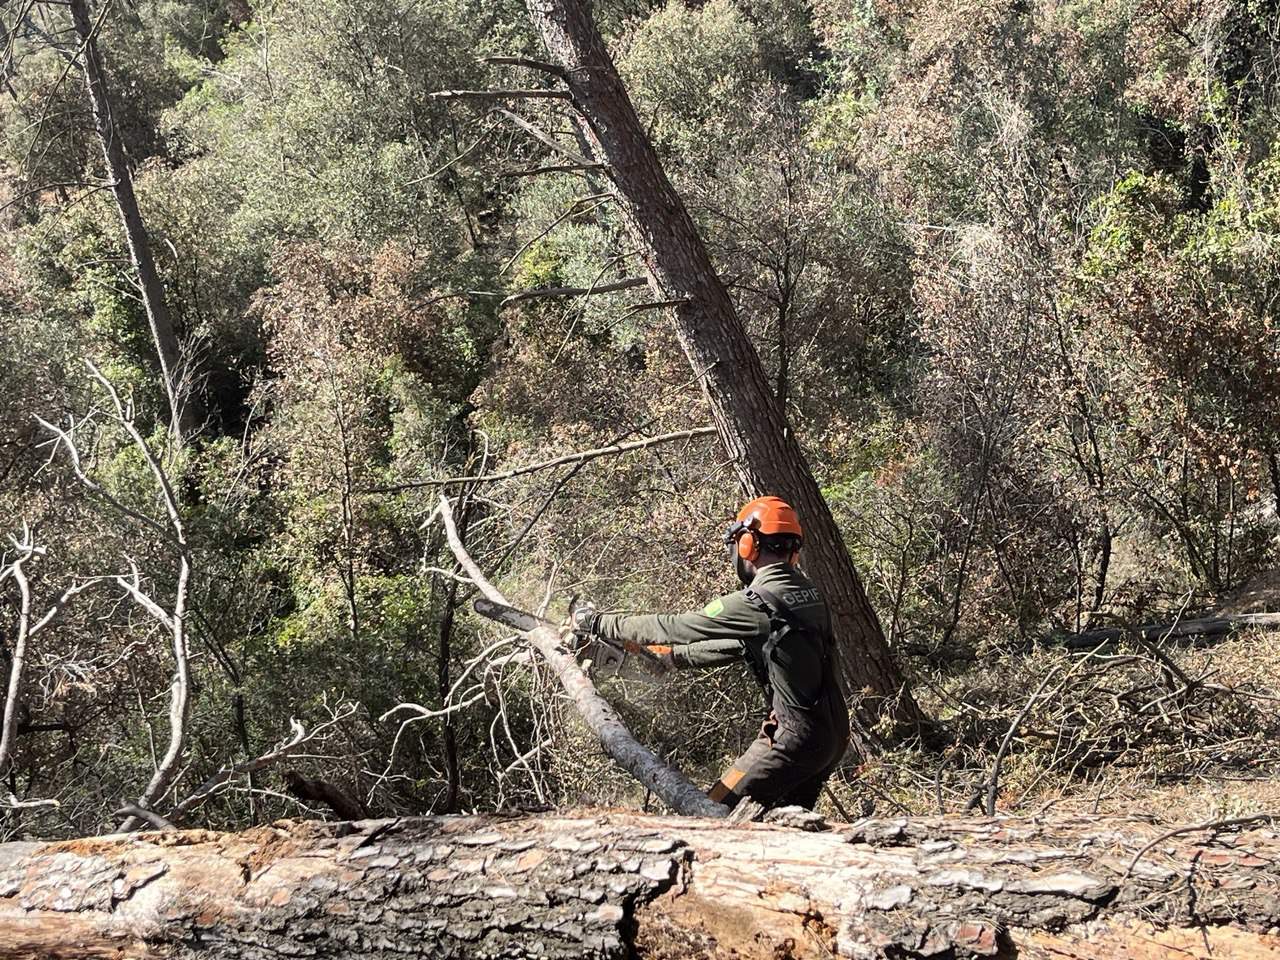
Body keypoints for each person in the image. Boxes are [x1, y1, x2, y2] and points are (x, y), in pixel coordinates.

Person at [570, 496, 849, 811]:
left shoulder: (757, 601)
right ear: (793, 550)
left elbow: (677, 626)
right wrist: (672, 658)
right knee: (787, 821)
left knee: (716, 809)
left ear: (748, 545)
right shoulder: (806, 592)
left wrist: (600, 622)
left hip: (793, 738)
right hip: (833, 735)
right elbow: (742, 646)